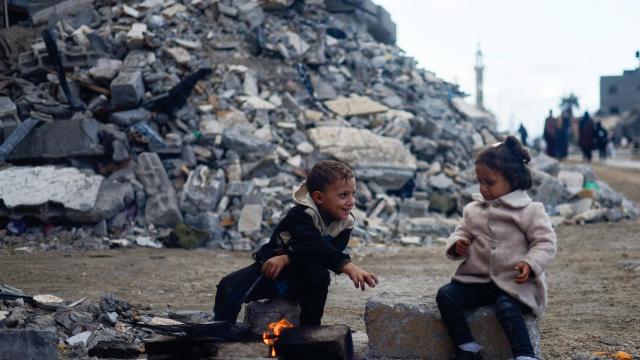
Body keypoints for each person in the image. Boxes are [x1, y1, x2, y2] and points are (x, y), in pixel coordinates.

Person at [213, 160, 378, 326]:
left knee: (319, 276)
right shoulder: (300, 215)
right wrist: (347, 266)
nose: (351, 201)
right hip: (273, 272)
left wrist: (288, 258)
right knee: (228, 287)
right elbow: (314, 245)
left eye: (353, 194)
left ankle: (310, 332)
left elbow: (326, 254)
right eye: (343, 195)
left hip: (303, 277)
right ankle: (221, 334)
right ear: (319, 197)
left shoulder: (345, 223)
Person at [436, 136, 557, 360]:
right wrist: (458, 246)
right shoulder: (474, 210)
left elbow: (545, 242)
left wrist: (530, 263)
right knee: (446, 296)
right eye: (480, 181)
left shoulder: (530, 210)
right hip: (478, 281)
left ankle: (525, 355)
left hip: (515, 283)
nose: (483, 188)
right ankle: (466, 348)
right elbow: (461, 232)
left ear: (513, 179)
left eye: (489, 183)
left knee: (506, 308)